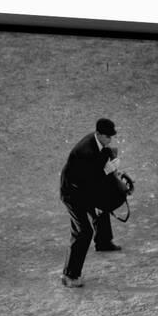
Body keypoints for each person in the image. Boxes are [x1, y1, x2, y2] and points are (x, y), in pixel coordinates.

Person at [59, 118, 123, 288]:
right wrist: (107, 170)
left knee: (103, 206)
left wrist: (110, 164)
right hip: (73, 193)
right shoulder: (85, 152)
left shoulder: (98, 144)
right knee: (83, 231)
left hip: (86, 187)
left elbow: (101, 161)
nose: (110, 139)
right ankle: (70, 275)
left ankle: (103, 242)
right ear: (99, 134)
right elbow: (87, 183)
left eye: (111, 136)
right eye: (107, 137)